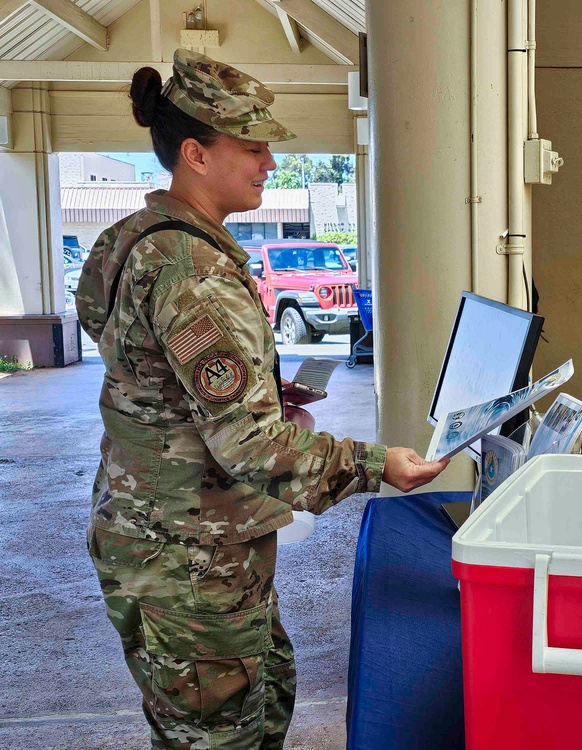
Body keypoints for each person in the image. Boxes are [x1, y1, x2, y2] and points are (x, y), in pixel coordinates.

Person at [77, 49, 448, 749]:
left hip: (163, 535)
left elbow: (133, 360)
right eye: (251, 147)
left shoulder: (129, 241)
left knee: (260, 701)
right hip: (187, 558)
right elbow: (248, 445)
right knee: (221, 736)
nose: (269, 163)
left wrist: (248, 389)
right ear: (195, 153)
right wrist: (376, 465)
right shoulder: (196, 273)